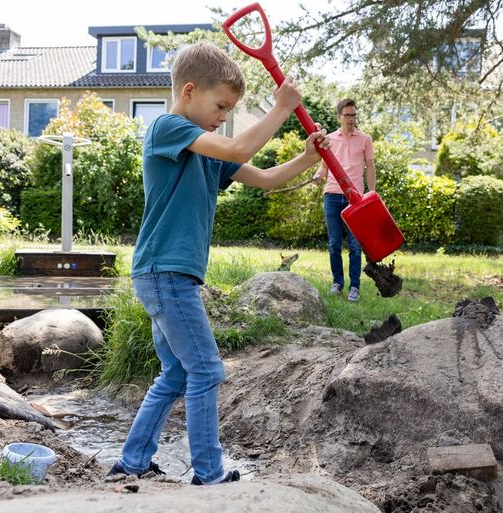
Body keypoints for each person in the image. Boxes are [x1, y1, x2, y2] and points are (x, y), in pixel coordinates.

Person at [107, 42, 329, 486]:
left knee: (175, 373)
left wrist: (307, 158)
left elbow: (264, 179)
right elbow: (239, 149)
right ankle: (208, 474)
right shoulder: (168, 128)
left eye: (229, 109)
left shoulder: (207, 150)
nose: (224, 116)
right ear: (189, 91)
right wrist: (282, 108)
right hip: (165, 272)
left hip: (165, 273)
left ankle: (131, 462)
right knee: (206, 369)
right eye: (221, 105)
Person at [313, 98, 376, 302]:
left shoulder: (365, 139)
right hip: (331, 195)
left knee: (355, 246)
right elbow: (324, 166)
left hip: (355, 199)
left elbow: (370, 167)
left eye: (353, 115)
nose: (351, 119)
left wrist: (371, 193)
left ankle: (354, 287)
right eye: (347, 115)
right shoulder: (330, 139)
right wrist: (318, 175)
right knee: (333, 244)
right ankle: (337, 283)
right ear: (339, 116)